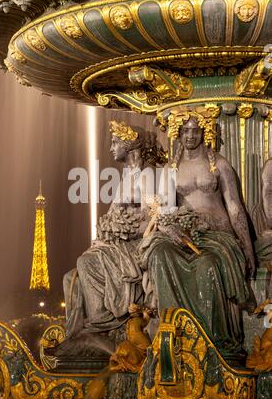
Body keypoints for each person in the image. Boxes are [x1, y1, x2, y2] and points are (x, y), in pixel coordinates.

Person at [137, 108, 255, 361]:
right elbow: (164, 210)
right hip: (183, 234)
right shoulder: (171, 168)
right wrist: (172, 230)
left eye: (196, 130)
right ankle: (172, 332)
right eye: (185, 130)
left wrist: (247, 248)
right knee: (158, 253)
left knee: (208, 264)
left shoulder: (219, 164)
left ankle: (213, 339)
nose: (190, 136)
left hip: (217, 235)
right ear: (178, 133)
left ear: (205, 132)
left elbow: (235, 207)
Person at [56, 121, 161, 356]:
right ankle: (78, 335)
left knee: (85, 263)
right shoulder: (127, 178)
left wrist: (119, 231)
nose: (111, 147)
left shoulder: (146, 176)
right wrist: (109, 231)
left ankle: (100, 324)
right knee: (69, 279)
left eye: (115, 142)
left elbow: (155, 218)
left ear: (131, 144)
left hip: (134, 244)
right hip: (116, 244)